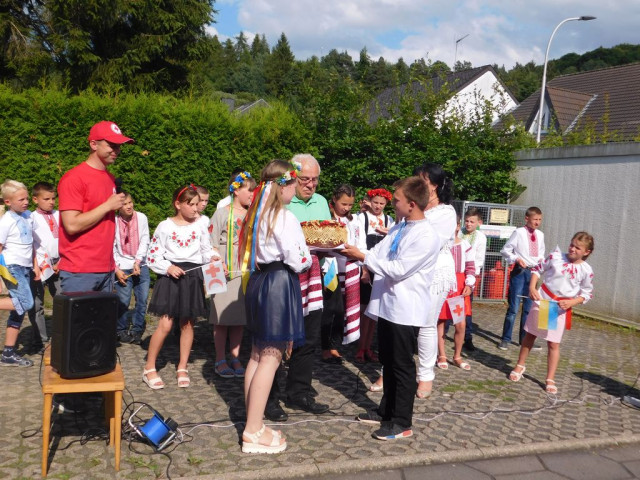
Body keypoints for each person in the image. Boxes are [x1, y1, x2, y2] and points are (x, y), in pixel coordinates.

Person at [342, 176, 440, 440]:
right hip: (388, 305)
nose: (392, 204)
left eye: (396, 200)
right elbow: (378, 253)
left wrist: (362, 256)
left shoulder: (427, 235)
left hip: (406, 309)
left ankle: (402, 421)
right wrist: (347, 249)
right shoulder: (400, 227)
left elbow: (398, 269)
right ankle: (386, 411)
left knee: (402, 366)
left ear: (411, 204)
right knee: (388, 361)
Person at [239, 160, 310, 453]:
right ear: (284, 185)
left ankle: (253, 421)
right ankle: (253, 431)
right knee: (271, 357)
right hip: (278, 283)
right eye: (295, 183)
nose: (297, 189)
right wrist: (307, 258)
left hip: (260, 281)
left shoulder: (257, 213)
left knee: (257, 354)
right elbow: (297, 258)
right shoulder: (284, 216)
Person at [264, 154, 330, 422]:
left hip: (313, 276)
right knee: (274, 341)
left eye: (315, 180)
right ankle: (269, 399)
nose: (310, 184)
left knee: (309, 338)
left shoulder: (322, 202)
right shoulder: (279, 206)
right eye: (304, 179)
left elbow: (328, 236)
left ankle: (299, 392)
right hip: (285, 277)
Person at [143, 185, 220, 389]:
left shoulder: (200, 225)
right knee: (166, 324)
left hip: (192, 277)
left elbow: (205, 250)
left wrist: (213, 258)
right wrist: (168, 267)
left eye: (197, 204)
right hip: (171, 278)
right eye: (191, 204)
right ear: (178, 204)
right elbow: (153, 256)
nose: (196, 208)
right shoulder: (165, 226)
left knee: (187, 324)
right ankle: (149, 367)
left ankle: (182, 366)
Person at [509, 232, 594, 395]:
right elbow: (537, 269)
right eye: (572, 245)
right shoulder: (555, 257)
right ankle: (520, 365)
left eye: (577, 248)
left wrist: (572, 302)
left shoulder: (586, 270)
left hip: (559, 308)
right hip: (543, 301)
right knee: (530, 335)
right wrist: (532, 287)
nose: (572, 249)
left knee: (553, 343)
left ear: (586, 252)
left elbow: (587, 293)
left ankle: (550, 378)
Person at [57, 121, 133, 292]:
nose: (117, 150)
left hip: (107, 268)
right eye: (112, 145)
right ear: (93, 144)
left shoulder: (110, 178)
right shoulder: (74, 178)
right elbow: (71, 225)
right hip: (80, 270)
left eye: (119, 146)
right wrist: (107, 206)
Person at [414, 163, 457, 399]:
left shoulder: (445, 212)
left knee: (426, 323)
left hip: (435, 272)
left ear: (436, 185)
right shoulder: (414, 206)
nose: (418, 185)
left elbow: (430, 243)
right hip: (411, 270)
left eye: (424, 181)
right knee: (400, 324)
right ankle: (388, 371)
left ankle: (425, 375)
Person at [210, 171, 256, 378]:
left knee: (239, 317)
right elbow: (210, 241)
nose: (252, 194)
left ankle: (235, 357)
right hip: (222, 268)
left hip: (243, 269)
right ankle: (220, 358)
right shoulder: (221, 213)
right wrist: (217, 261)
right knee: (221, 317)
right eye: (249, 190)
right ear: (236, 191)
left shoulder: (252, 214)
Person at [321, 184, 365, 363]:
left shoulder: (355, 221)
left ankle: (335, 344)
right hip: (331, 268)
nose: (347, 208)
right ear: (334, 200)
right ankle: (326, 346)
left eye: (350, 205)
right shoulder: (327, 219)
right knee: (331, 308)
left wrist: (362, 265)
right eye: (343, 204)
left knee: (343, 310)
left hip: (350, 268)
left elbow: (361, 244)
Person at [356, 187, 395, 364]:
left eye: (382, 203)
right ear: (369, 202)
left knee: (375, 311)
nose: (378, 206)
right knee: (364, 309)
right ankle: (360, 346)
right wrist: (364, 269)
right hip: (367, 266)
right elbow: (360, 245)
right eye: (375, 202)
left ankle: (368, 347)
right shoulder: (362, 218)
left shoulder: (389, 220)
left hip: (381, 268)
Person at [0, 180, 37, 366]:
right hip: (12, 267)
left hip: (25, 267)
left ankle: (8, 353)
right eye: (21, 199)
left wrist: (36, 265)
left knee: (19, 311)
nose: (26, 202)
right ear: (8, 202)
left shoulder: (28, 216)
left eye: (27, 198)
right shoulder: (6, 221)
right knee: (26, 303)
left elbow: (32, 243)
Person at [499, 207, 545, 350]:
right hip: (520, 272)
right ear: (527, 218)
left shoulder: (540, 235)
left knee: (528, 309)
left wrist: (541, 262)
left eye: (539, 220)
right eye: (535, 219)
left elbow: (541, 253)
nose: (537, 222)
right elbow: (505, 250)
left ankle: (524, 339)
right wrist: (516, 259)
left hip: (533, 273)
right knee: (513, 308)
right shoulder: (519, 232)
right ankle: (505, 339)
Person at [437, 219, 475, 370]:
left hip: (458, 285)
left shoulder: (465, 245)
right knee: (440, 320)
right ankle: (441, 354)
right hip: (443, 282)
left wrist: (469, 284)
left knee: (460, 323)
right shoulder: (439, 244)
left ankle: (457, 355)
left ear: (458, 226)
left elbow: (471, 266)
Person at [113, 191, 150, 345]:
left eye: (130, 202)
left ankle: (137, 329)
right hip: (123, 265)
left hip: (141, 264)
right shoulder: (114, 221)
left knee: (142, 299)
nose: (128, 206)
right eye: (124, 204)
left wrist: (138, 261)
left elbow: (145, 240)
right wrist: (116, 268)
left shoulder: (141, 217)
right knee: (123, 300)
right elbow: (112, 246)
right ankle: (120, 330)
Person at [28, 182, 60, 353]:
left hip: (59, 263)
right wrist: (36, 265)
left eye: (53, 198)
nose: (51, 202)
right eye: (46, 199)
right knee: (36, 304)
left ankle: (63, 336)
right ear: (35, 199)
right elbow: (30, 243)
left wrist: (62, 261)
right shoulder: (31, 218)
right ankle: (39, 341)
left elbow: (67, 239)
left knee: (62, 300)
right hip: (39, 265)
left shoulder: (59, 215)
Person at [460, 207, 487, 352]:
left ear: (478, 223)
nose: (468, 224)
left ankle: (467, 337)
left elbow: (479, 259)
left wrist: (472, 278)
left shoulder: (480, 237)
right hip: (457, 273)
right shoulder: (459, 233)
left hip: (469, 275)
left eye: (472, 222)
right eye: (467, 221)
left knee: (466, 307)